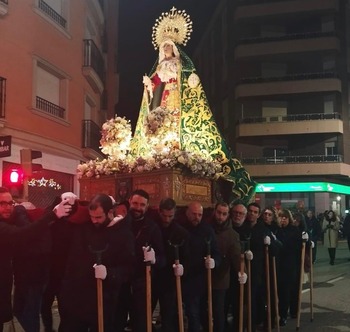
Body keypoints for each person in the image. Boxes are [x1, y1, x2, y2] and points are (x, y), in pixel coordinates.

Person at [131, 7, 255, 204]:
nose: (165, 50)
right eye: (163, 48)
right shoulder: (160, 68)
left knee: (177, 125)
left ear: (174, 47)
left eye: (168, 47)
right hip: (163, 101)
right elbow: (154, 88)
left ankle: (181, 150)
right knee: (160, 126)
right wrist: (148, 86)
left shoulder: (183, 66)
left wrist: (185, 81)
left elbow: (191, 85)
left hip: (178, 101)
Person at [58, 194, 135, 332]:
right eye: (92, 217)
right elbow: (73, 259)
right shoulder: (85, 228)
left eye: (99, 217)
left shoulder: (123, 234)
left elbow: (128, 268)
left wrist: (109, 274)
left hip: (106, 299)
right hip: (78, 298)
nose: (95, 221)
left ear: (110, 212)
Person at [0, 186, 71, 332]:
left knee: (24, 313)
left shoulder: (15, 217)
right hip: (21, 281)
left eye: (10, 203)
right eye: (2, 204)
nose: (7, 207)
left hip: (27, 279)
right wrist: (53, 215)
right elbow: (22, 234)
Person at [118, 189, 165, 332]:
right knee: (116, 323)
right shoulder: (119, 224)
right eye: (135, 203)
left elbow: (163, 258)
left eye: (142, 205)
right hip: (121, 284)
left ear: (147, 206)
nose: (138, 208)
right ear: (129, 202)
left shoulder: (152, 228)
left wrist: (154, 259)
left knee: (141, 325)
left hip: (142, 286)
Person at [181, 201, 221, 332]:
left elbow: (216, 252)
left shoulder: (207, 230)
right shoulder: (179, 227)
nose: (197, 217)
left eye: (200, 214)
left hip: (197, 279)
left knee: (194, 313)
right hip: (179, 276)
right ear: (187, 213)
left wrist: (214, 261)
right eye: (194, 214)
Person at [152, 198, 190, 332]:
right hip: (151, 278)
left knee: (168, 317)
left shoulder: (181, 233)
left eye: (170, 216)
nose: (167, 219)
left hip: (170, 281)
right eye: (164, 215)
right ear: (159, 211)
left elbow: (186, 257)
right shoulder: (151, 227)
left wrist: (182, 268)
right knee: (144, 314)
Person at [208, 202, 246, 332]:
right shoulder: (207, 228)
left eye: (224, 214)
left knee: (219, 312)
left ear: (227, 215)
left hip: (221, 278)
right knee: (203, 311)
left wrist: (242, 272)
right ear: (215, 211)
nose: (220, 216)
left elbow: (236, 257)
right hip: (203, 277)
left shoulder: (232, 235)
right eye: (219, 213)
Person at [275, 209, 308, 327]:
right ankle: (282, 315)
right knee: (282, 292)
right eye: (280, 217)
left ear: (289, 219)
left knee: (293, 289)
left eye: (285, 217)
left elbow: (301, 246)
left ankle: (294, 311)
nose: (283, 219)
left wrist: (307, 241)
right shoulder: (276, 230)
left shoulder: (294, 231)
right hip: (279, 265)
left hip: (292, 264)